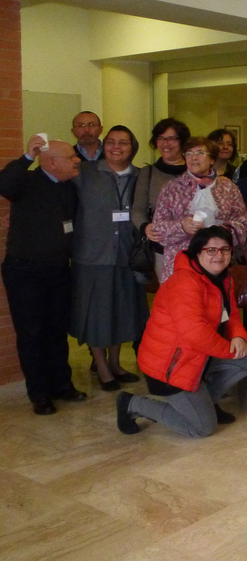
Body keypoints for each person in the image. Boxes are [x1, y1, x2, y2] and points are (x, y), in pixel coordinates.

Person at [117, 226, 247, 437]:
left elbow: (231, 315)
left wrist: (239, 336)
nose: (219, 255)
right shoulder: (184, 282)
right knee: (202, 428)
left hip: (199, 357)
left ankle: (207, 403)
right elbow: (195, 334)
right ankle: (133, 403)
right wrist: (232, 350)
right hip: (171, 367)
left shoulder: (224, 278)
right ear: (197, 252)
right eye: (211, 250)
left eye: (225, 249)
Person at [0, 136, 86, 415]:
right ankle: (39, 393)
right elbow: (4, 184)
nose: (76, 160)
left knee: (57, 330)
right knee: (32, 333)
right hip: (25, 271)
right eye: (71, 157)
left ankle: (62, 384)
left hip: (59, 269)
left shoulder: (68, 187)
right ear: (52, 162)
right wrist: (27, 156)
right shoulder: (27, 181)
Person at [70, 125, 148, 391]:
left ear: (132, 147)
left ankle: (115, 363)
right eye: (112, 142)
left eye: (123, 142)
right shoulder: (84, 172)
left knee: (122, 311)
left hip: (128, 254)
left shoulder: (141, 176)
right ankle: (101, 367)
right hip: (92, 255)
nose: (116, 147)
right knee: (96, 314)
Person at [152, 136, 247, 281]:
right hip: (180, 265)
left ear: (212, 159)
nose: (194, 158)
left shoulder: (228, 188)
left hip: (218, 264)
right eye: (189, 153)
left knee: (215, 302)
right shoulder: (172, 188)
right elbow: (157, 228)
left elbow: (244, 224)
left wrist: (222, 230)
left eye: (200, 153)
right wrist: (182, 227)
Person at [132, 117, 191, 280]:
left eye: (171, 138)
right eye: (161, 138)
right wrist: (145, 227)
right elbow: (137, 210)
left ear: (182, 141)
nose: (166, 144)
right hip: (162, 247)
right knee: (170, 294)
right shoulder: (148, 173)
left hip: (195, 246)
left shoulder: (196, 172)